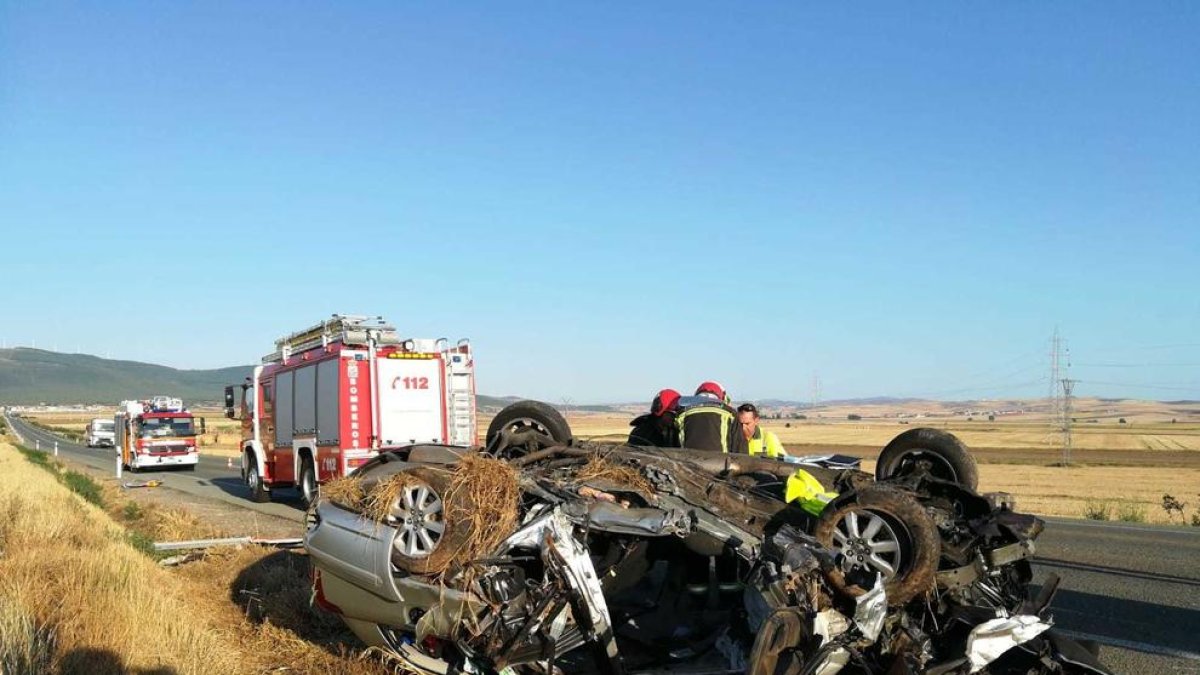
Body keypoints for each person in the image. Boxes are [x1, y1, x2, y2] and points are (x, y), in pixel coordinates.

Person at [674, 381, 749, 454]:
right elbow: (740, 448)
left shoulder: (682, 414)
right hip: (720, 463)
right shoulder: (729, 414)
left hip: (688, 463)